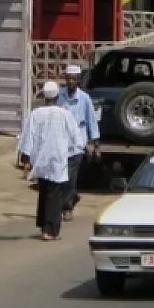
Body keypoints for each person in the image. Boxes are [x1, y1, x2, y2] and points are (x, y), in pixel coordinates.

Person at [18, 81, 80, 241]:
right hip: (57, 158)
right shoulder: (64, 113)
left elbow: (28, 137)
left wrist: (26, 157)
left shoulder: (36, 113)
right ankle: (51, 230)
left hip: (41, 159)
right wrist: (79, 147)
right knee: (54, 195)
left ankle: (43, 225)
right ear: (58, 96)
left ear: (44, 96)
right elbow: (75, 135)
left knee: (44, 191)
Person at [56, 64, 99, 222]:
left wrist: (95, 144)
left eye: (74, 79)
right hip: (60, 142)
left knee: (71, 177)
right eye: (68, 79)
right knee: (60, 177)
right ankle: (72, 197)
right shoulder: (59, 96)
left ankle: (66, 208)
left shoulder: (84, 99)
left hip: (77, 145)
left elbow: (91, 121)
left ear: (79, 80)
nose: (71, 82)